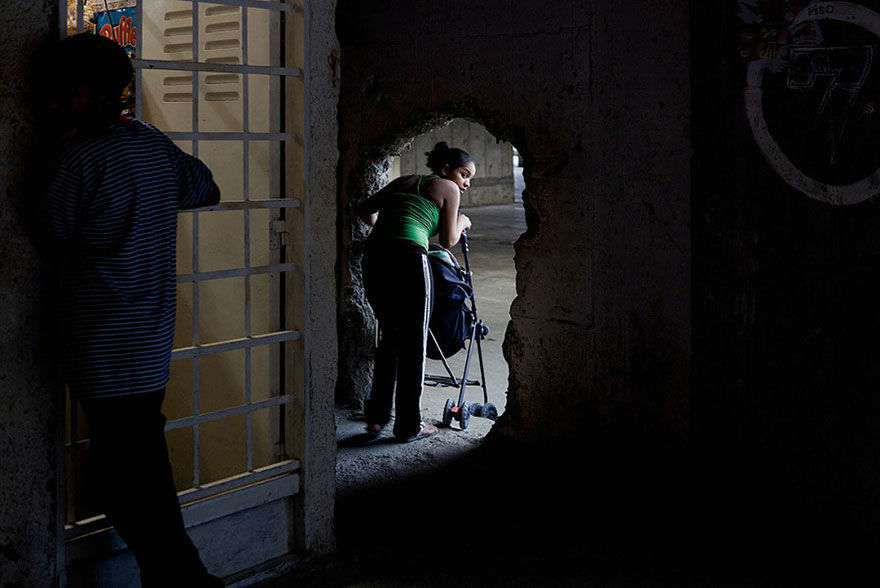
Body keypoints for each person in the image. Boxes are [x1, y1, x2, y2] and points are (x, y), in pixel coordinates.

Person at [42, 34, 223, 587]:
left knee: (130, 480)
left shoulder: (77, 157)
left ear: (98, 94)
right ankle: (176, 577)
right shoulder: (150, 141)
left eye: (65, 93)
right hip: (148, 340)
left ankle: (184, 581)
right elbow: (205, 189)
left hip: (101, 342)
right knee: (137, 467)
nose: (54, 103)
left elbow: (51, 231)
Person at [358, 142, 475, 442]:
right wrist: (462, 222)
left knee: (390, 338)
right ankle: (409, 425)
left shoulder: (404, 181)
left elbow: (365, 210)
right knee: (414, 343)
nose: (465, 184)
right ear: (447, 170)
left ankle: (376, 419)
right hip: (409, 258)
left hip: (375, 257)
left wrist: (387, 230)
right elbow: (448, 240)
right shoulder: (447, 188)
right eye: (464, 175)